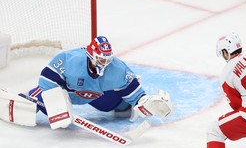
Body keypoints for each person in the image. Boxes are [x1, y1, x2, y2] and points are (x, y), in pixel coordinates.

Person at [28, 35, 172, 128]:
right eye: (102, 59)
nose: (105, 63)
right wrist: (57, 103)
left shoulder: (117, 68)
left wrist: (145, 102)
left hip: (97, 95)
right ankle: (25, 101)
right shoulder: (70, 59)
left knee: (119, 108)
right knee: (43, 102)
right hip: (69, 92)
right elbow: (46, 79)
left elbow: (134, 91)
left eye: (108, 59)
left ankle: (123, 106)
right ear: (91, 55)